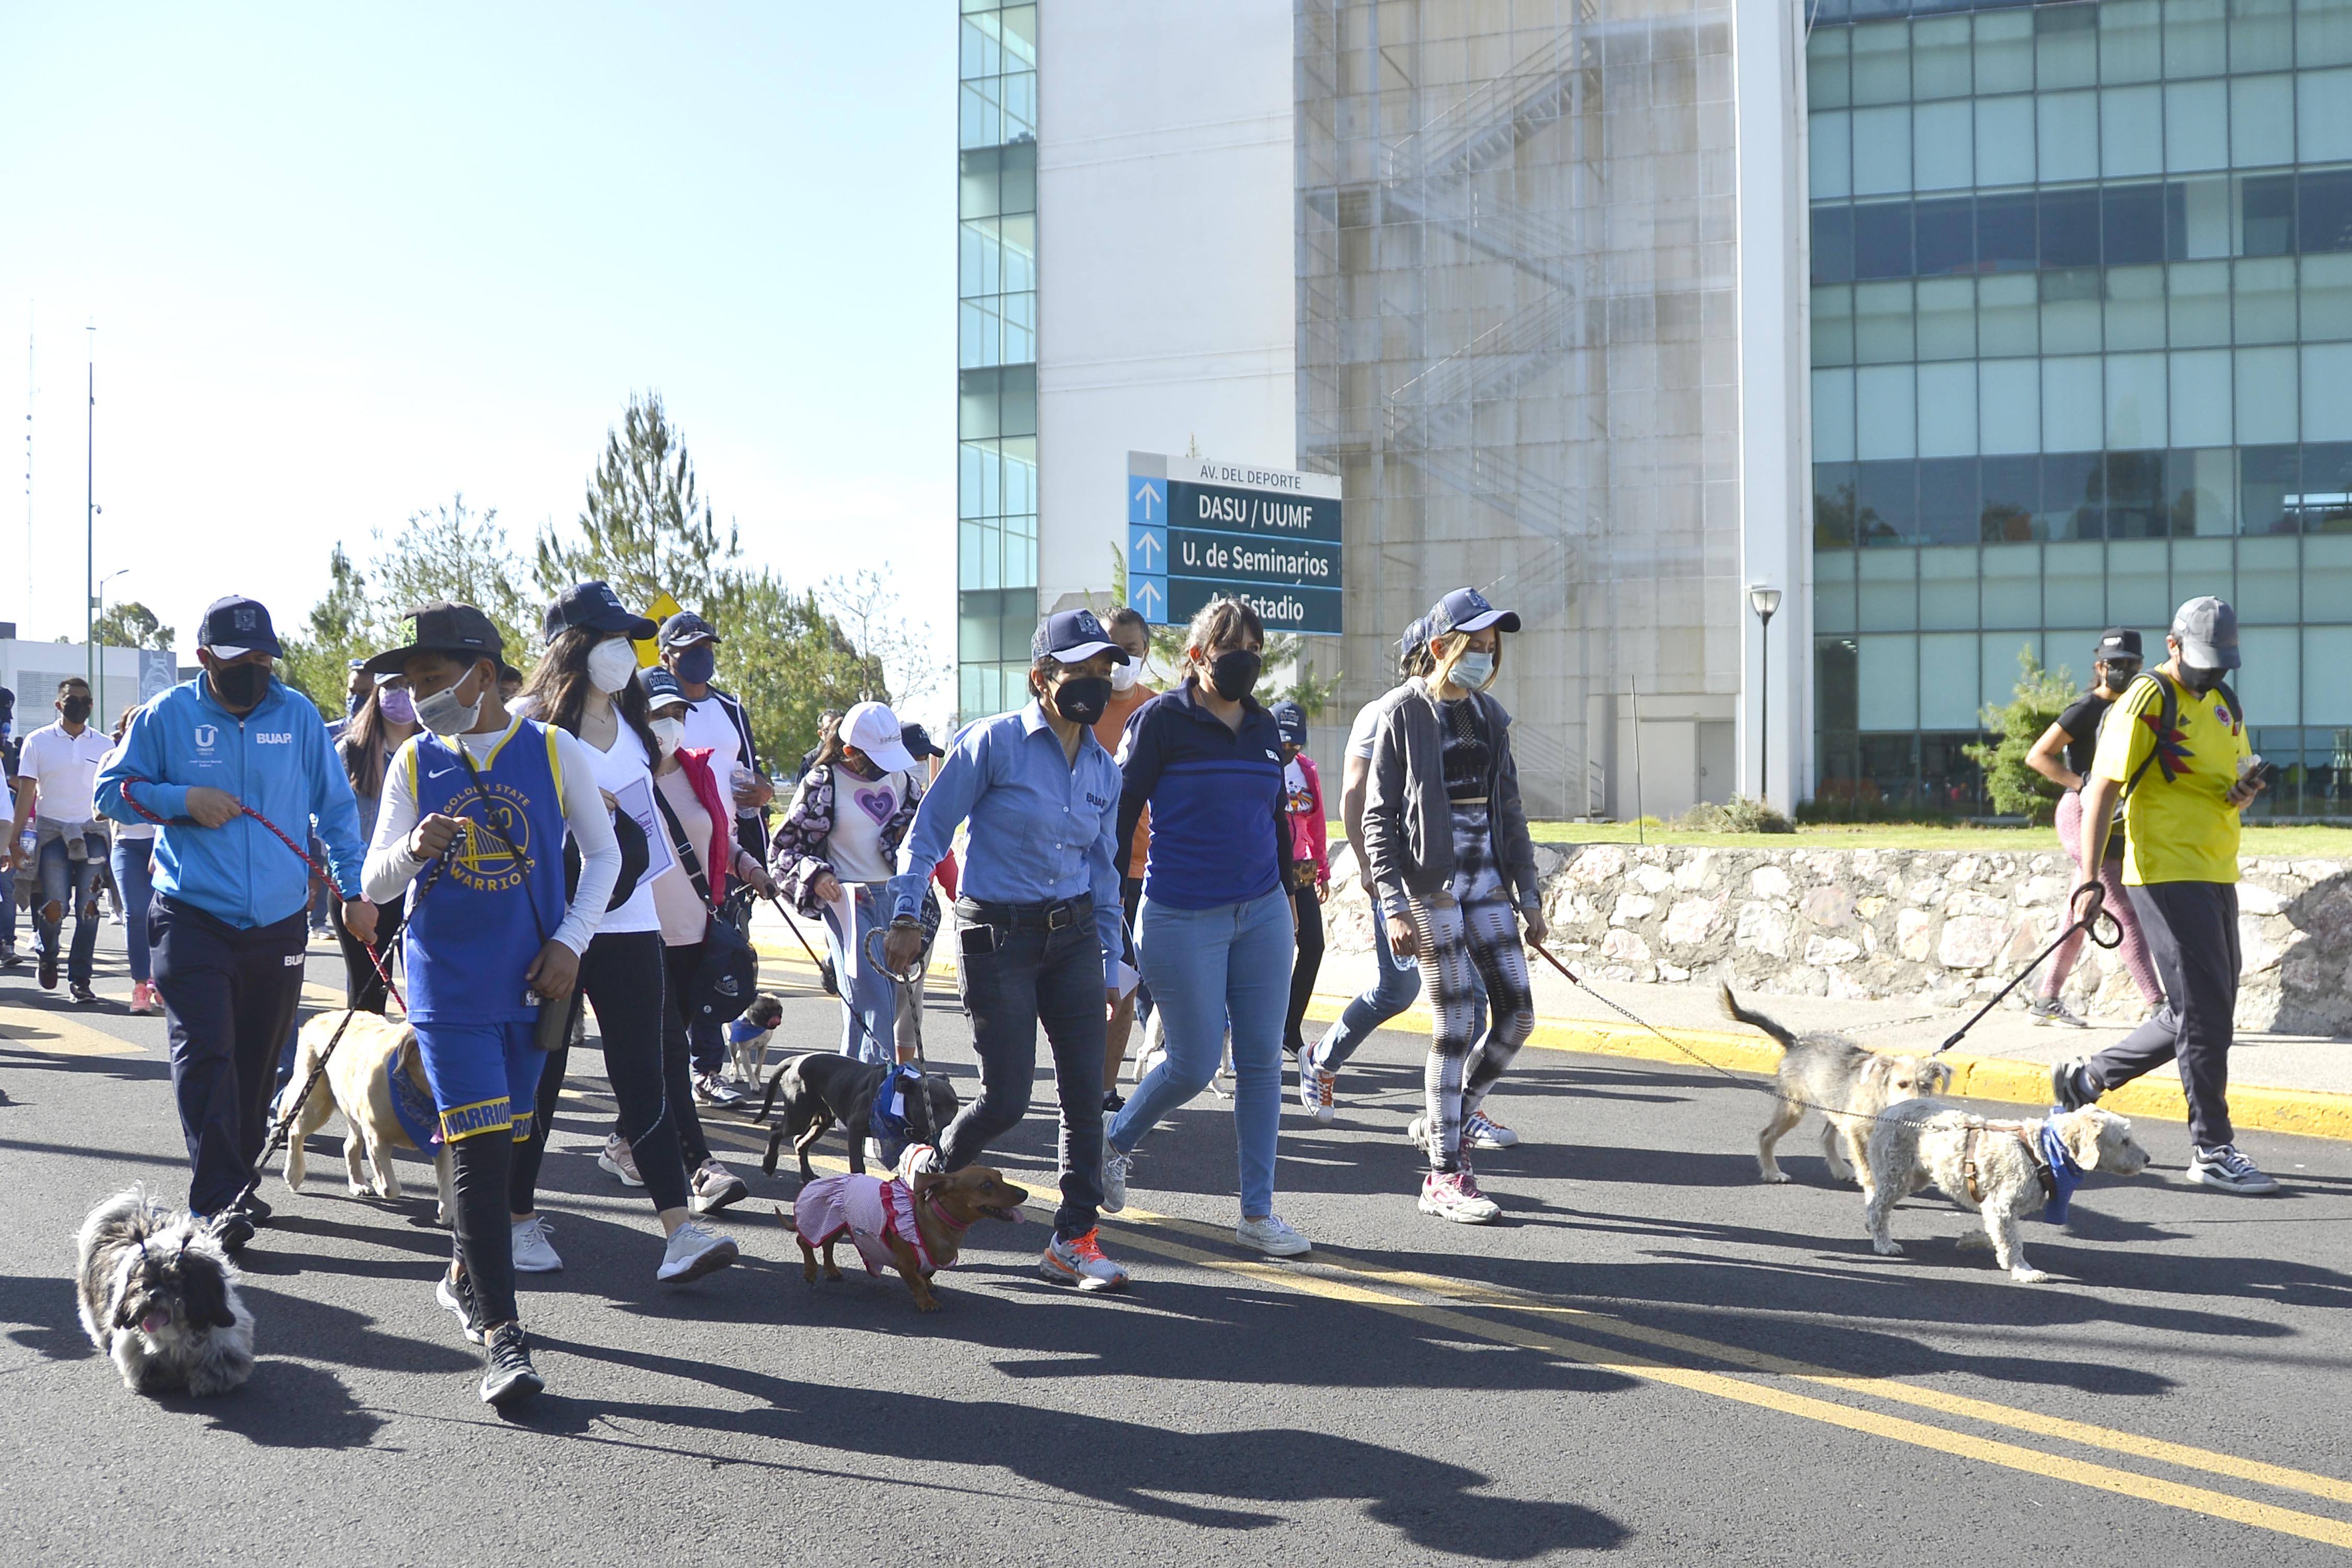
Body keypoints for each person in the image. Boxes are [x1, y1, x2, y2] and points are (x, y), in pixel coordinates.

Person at [357, 601, 605, 1403]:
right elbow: (374, 882)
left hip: (535, 984)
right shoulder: (410, 763)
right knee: (479, 1150)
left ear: (484, 674)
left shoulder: (556, 751)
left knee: (503, 1154)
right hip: (446, 988)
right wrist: (411, 847)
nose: (417, 694)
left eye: (432, 678)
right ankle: (505, 1338)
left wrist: (572, 941)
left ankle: (466, 1270)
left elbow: (604, 857)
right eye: (411, 682)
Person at [95, 596, 376, 1252]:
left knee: (256, 1061)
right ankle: (217, 1197)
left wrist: (354, 891)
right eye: (239, 658)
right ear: (204, 660)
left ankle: (237, 1177)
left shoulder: (299, 714)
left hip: (278, 923)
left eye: (263, 656)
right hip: (191, 914)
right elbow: (111, 790)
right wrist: (182, 801)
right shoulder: (168, 715)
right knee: (207, 1049)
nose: (255, 668)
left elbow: (336, 812)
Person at [883, 608, 1131, 1292]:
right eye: (1081, 671)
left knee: (1087, 1095)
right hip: (997, 936)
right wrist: (907, 913)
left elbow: (1105, 873)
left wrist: (1109, 958)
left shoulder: (1105, 772)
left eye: (1104, 672)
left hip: (1076, 936)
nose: (1096, 683)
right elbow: (927, 832)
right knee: (1008, 1099)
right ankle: (926, 1175)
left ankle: (1072, 1241)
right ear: (1041, 678)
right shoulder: (991, 743)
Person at [507, 582, 744, 1274]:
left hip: (632, 920)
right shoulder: (527, 723)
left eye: (627, 640)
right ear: (572, 647)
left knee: (647, 1074)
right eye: (610, 639)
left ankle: (679, 1231)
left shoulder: (639, 724)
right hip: (554, 931)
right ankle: (519, 1218)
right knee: (542, 1076)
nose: (624, 652)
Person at [1099, 598, 1310, 1259]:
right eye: (1231, 650)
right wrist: (1105, 909)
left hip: (1263, 912)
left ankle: (1257, 1213)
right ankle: (1112, 1141)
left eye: (1255, 648)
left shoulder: (1263, 730)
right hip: (1180, 914)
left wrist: (1290, 898)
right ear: (1197, 657)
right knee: (1191, 1064)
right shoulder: (1160, 720)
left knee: (1259, 1066)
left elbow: (1277, 820)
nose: (1245, 660)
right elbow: (1118, 814)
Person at [2054, 596, 2280, 1195]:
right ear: (2173, 645)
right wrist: (2086, 876)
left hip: (2215, 868)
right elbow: (2100, 789)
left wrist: (2241, 792)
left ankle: (2086, 1082)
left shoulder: (2224, 702)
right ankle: (2212, 1148)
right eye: (2204, 663)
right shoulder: (2148, 698)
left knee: (2199, 1011)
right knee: (2205, 1016)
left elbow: (2218, 775)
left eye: (2221, 666)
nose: (2212, 676)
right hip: (2163, 871)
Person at [1363, 587, 1546, 1225]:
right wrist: (1392, 904)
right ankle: (1445, 1174)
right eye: (1476, 647)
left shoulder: (1490, 716)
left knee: (1519, 1014)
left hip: (1488, 880)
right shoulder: (1402, 713)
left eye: (1492, 649)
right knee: (1455, 1024)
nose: (1486, 658)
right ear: (1441, 648)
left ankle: (1455, 1112)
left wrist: (1530, 894)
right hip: (1431, 885)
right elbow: (1377, 817)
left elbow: (1513, 811)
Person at [1298, 618, 1444, 1124]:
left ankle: (1461, 1111)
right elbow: (1354, 796)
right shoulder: (1383, 712)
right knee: (1398, 991)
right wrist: (1368, 866)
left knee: (1473, 997)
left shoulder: (1466, 714)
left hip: (1453, 879)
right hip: (1400, 875)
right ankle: (1321, 1059)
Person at [636, 664, 763, 1212]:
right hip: (639, 937)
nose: (670, 724)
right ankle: (701, 1168)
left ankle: (622, 1143)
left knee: (664, 1052)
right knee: (668, 1057)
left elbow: (715, 836)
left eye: (677, 713)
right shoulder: (621, 777)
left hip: (697, 935)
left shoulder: (699, 773)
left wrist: (747, 864)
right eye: (657, 714)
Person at [770, 699, 935, 1067]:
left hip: (900, 903)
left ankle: (853, 1095)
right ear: (849, 751)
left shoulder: (903, 780)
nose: (885, 765)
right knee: (874, 1004)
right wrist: (817, 875)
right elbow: (782, 849)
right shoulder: (822, 782)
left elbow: (923, 840)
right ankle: (880, 1097)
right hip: (849, 904)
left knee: (878, 1005)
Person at [2023, 629, 2164, 1027]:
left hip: (2114, 821)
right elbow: (2038, 756)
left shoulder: (2135, 708)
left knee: (2078, 914)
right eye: (2116, 664)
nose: (2125, 671)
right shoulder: (2086, 709)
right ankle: (2158, 1006)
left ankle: (2046, 999)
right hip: (2082, 814)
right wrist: (2081, 784)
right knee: (2122, 909)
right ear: (2100, 666)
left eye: (2132, 665)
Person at [658, 608, 772, 1096]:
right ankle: (664, 1073)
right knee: (668, 976)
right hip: (669, 863)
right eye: (690, 650)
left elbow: (751, 774)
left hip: (724, 861)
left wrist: (763, 798)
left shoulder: (731, 710)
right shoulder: (653, 711)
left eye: (707, 648)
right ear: (667, 657)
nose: (701, 658)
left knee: (717, 968)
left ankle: (706, 1071)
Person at [8, 677, 116, 1002]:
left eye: (85, 700)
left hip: (92, 835)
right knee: (54, 908)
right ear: (59, 704)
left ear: (92, 705)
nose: (78, 705)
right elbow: (27, 793)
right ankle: (48, 953)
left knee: (90, 908)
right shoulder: (38, 741)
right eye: (72, 699)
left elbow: (111, 796)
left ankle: (80, 980)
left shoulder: (105, 746)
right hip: (51, 835)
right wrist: (13, 841)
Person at [1093, 606, 1157, 1107]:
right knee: (1086, 987)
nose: (1121, 661)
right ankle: (1083, 1083)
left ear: (1146, 653)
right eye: (1112, 650)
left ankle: (1105, 1088)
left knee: (1125, 981)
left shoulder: (1157, 712)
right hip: (1078, 869)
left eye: (1130, 651)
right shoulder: (1079, 707)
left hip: (1138, 871)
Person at [335, 675, 421, 1012]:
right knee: (368, 996)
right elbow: (329, 821)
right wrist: (352, 891)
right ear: (376, 695)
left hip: (419, 888)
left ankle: (419, 1066)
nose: (401, 696)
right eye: (391, 687)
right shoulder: (351, 750)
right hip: (364, 888)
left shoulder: (437, 748)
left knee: (426, 993)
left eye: (407, 686)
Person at [1272, 700, 1330, 1058]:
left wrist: (1322, 867)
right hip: (1268, 872)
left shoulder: (1306, 770)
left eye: (1295, 743)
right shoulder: (1261, 763)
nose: (1289, 750)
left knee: (1313, 945)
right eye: (1284, 743)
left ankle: (1289, 1028)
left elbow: (1317, 821)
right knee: (1273, 953)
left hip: (1300, 871)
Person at [101, 706, 162, 1015]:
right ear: (123, 731)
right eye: (131, 725)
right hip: (125, 844)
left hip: (161, 845)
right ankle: (141, 983)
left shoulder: (164, 757)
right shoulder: (111, 759)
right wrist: (126, 793)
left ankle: (162, 982)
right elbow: (98, 808)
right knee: (136, 913)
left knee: (167, 916)